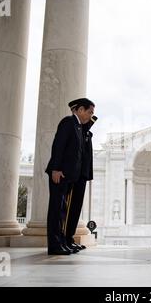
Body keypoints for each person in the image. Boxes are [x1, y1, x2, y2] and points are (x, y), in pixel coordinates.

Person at [45, 98, 96, 255]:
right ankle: (54, 245)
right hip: (61, 174)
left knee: (62, 211)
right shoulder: (68, 122)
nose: (91, 116)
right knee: (56, 210)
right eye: (90, 112)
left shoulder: (79, 128)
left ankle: (62, 242)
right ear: (80, 110)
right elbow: (58, 145)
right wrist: (55, 168)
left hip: (69, 176)